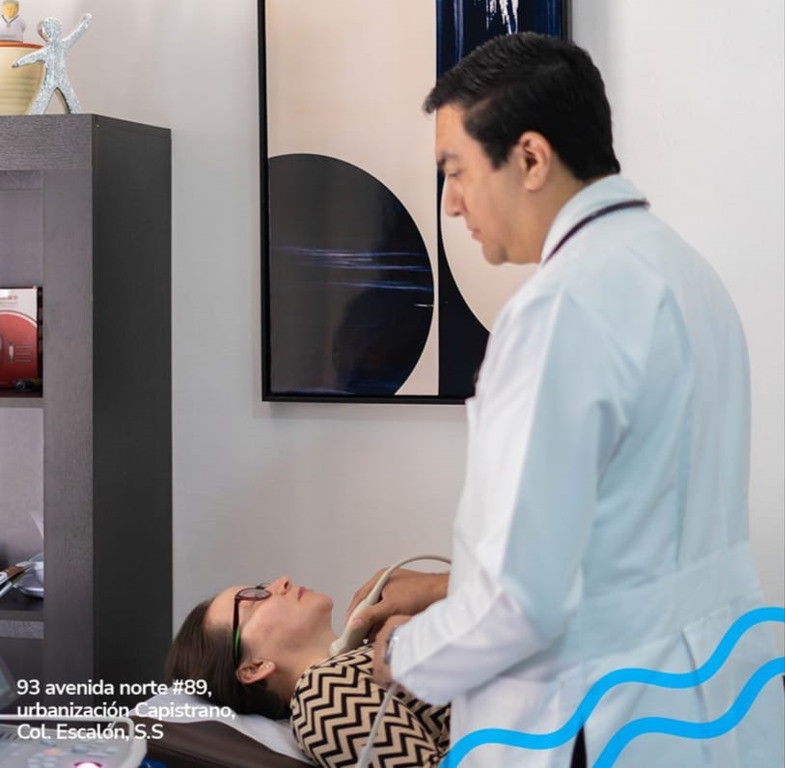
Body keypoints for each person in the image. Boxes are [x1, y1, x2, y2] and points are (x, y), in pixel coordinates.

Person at [347, 32, 785, 768]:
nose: (450, 204)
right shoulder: (684, 272)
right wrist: (447, 587)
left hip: (592, 718)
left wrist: (407, 653)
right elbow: (630, 541)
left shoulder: (559, 309)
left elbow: (521, 602)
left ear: (529, 158)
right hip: (706, 704)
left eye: (455, 171)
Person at [166, 576, 450, 767]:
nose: (282, 581)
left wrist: (440, 590)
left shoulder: (375, 651)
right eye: (253, 598)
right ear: (254, 667)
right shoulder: (321, 696)